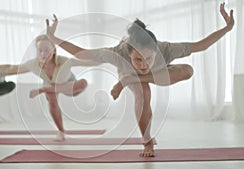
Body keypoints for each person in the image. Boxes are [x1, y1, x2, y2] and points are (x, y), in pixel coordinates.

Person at [45, 2, 234, 156]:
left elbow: (201, 45)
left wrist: (228, 28)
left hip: (147, 75)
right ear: (128, 53)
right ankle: (146, 142)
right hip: (131, 75)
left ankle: (129, 80)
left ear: (156, 50)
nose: (143, 64)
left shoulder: (166, 48)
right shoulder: (118, 52)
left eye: (148, 59)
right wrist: (53, 38)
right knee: (143, 93)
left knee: (188, 70)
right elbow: (82, 54)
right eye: (138, 59)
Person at [0, 34, 99, 141]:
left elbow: (88, 62)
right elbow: (10, 68)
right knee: (51, 100)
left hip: (69, 85)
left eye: (47, 50)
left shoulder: (64, 61)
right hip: (50, 85)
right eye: (40, 51)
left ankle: (45, 89)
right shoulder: (33, 64)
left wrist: (108, 57)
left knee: (83, 83)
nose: (43, 54)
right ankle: (61, 132)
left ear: (53, 51)